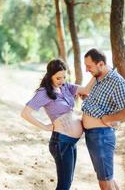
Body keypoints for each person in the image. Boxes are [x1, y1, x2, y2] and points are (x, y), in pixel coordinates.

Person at [21, 59, 95, 190]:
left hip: (70, 143)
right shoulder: (44, 92)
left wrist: (97, 73)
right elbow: (25, 113)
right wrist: (45, 127)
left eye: (64, 77)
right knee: (64, 186)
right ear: (50, 76)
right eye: (58, 78)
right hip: (60, 143)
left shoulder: (66, 87)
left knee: (68, 182)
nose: (62, 81)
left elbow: (86, 89)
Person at [81, 48, 125, 190]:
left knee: (105, 183)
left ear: (100, 64)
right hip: (93, 136)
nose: (87, 70)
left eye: (89, 67)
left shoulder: (116, 82)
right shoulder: (98, 76)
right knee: (106, 178)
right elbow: (90, 93)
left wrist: (110, 118)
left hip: (102, 137)